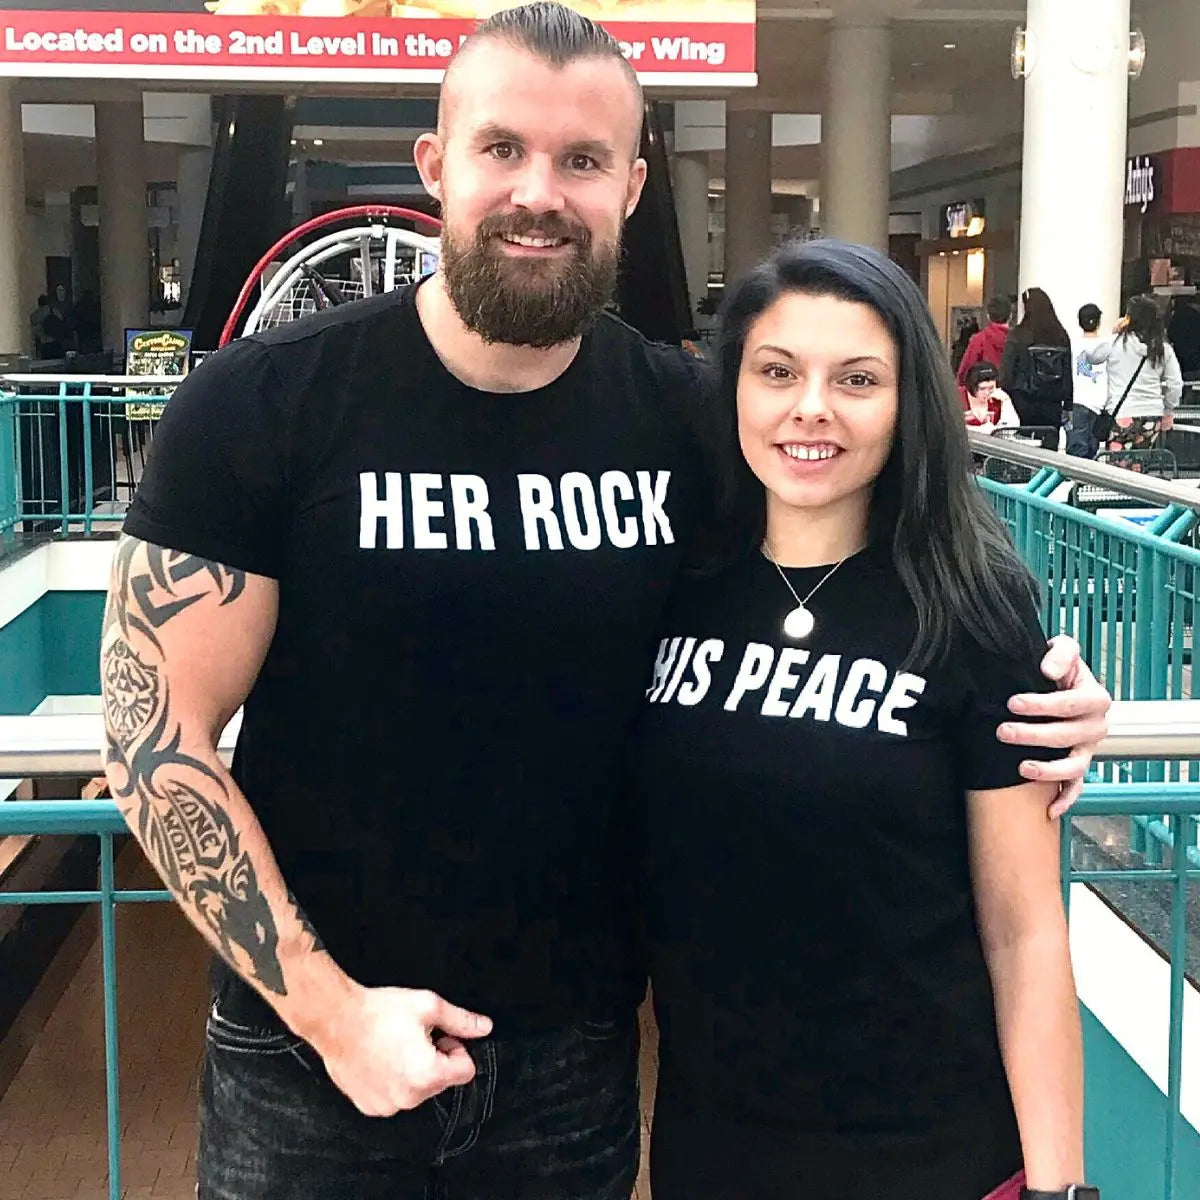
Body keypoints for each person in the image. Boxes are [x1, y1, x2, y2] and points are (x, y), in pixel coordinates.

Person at [98, 6, 1110, 1198]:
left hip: (574, 1067)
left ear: (631, 186)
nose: (542, 192)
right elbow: (153, 732)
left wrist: (1038, 689)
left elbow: (866, 558)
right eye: (503, 149)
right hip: (311, 1066)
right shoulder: (264, 406)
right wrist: (328, 1015)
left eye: (582, 161)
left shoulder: (687, 421)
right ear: (437, 166)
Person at [636, 239, 1090, 1200]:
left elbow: (1023, 928)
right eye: (777, 372)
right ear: (732, 392)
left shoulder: (972, 609)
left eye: (857, 379)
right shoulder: (671, 584)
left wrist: (1061, 1189)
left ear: (907, 405)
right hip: (711, 1146)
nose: (812, 409)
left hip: (930, 1150)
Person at [1086, 295, 1183, 465]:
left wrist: (1113, 332)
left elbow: (1092, 356)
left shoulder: (1116, 342)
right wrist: (1168, 410)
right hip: (1152, 414)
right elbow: (1175, 383)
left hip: (1122, 412)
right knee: (1139, 464)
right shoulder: (1162, 347)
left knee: (1117, 465)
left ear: (1128, 318)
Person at [999, 287, 1074, 430]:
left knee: (1025, 445)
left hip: (1023, 400)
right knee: (1049, 445)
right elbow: (1067, 372)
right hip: (1053, 402)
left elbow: (1007, 372)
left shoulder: (1018, 334)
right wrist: (1068, 403)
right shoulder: (1060, 335)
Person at [1066, 303, 1108, 458]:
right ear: (1099, 321)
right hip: (1101, 403)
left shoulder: (1071, 345)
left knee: (1075, 451)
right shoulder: (1108, 345)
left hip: (1076, 402)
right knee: (1093, 450)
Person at [956, 294, 1012, 387]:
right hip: (1013, 396)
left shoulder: (980, 339)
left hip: (985, 394)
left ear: (988, 316)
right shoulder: (1018, 341)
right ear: (1010, 316)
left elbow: (965, 373)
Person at [963, 361, 1020, 434]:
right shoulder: (959, 397)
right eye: (982, 389)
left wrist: (1006, 401)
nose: (987, 393)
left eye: (991, 388)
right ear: (971, 386)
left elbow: (1012, 427)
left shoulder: (999, 398)